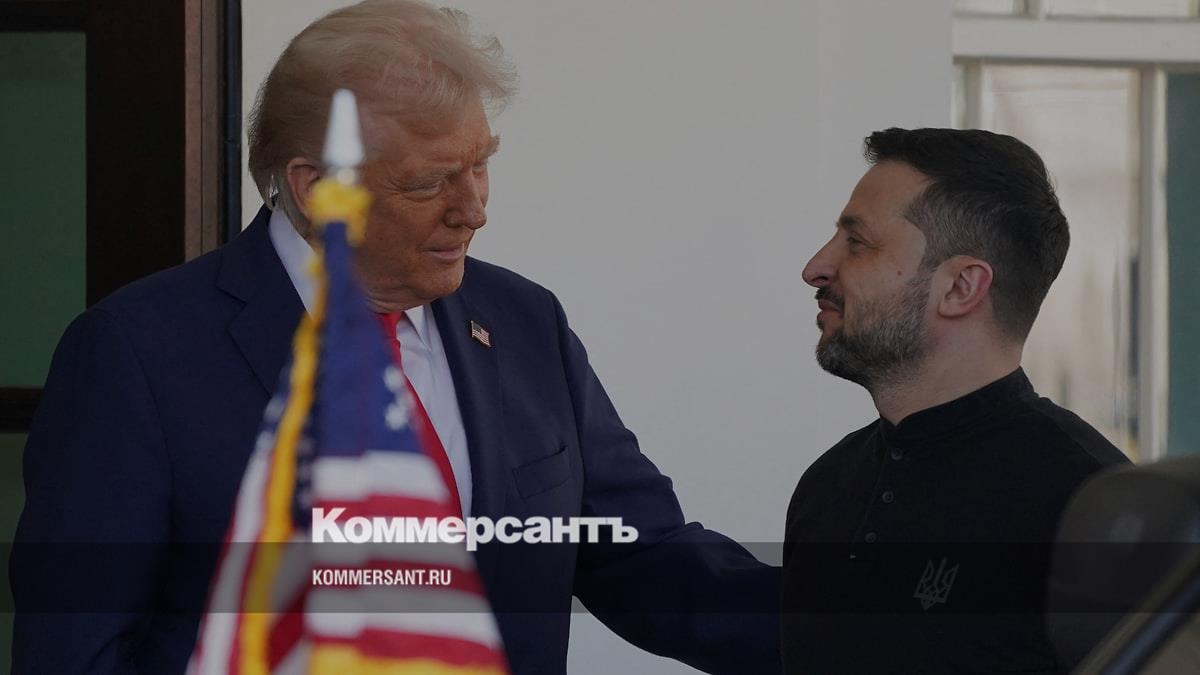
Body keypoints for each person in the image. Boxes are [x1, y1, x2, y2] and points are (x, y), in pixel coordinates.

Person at [10, 2, 779, 673]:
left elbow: (643, 556)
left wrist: (838, 633)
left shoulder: (524, 321)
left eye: (481, 165)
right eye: (430, 180)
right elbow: (76, 652)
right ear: (316, 188)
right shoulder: (136, 355)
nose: (473, 208)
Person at [782, 127, 1130, 673]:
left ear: (961, 287)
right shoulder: (829, 484)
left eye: (858, 243)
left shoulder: (1092, 507)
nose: (815, 268)